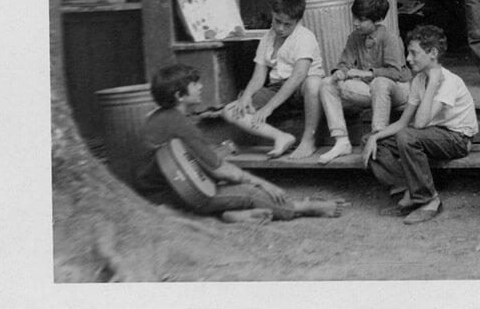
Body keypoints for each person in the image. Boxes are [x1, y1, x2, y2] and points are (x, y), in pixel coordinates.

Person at [133, 64, 344, 222]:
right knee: (251, 192)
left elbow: (193, 159)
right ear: (179, 95)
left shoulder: (159, 116)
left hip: (163, 189)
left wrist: (220, 155)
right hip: (174, 195)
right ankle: (301, 208)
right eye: (194, 83)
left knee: (235, 185)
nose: (200, 86)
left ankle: (229, 214)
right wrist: (263, 183)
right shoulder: (181, 124)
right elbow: (219, 169)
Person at [361, 24, 477, 225]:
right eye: (408, 53)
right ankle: (407, 189)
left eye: (414, 53)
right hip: (431, 136)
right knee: (371, 140)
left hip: (458, 138)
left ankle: (429, 200)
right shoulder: (418, 80)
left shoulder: (450, 81)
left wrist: (433, 82)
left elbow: (421, 123)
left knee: (408, 137)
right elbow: (404, 122)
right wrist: (375, 136)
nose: (408, 58)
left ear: (433, 53)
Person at [290, 0, 412, 164]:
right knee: (327, 83)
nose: (355, 23)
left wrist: (365, 73)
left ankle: (378, 138)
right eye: (354, 17)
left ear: (376, 19)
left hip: (398, 91)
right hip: (371, 90)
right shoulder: (355, 37)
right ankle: (341, 141)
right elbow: (344, 64)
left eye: (361, 20)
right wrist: (339, 72)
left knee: (380, 82)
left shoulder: (390, 38)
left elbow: (397, 73)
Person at [222, 0, 324, 158]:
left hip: (301, 87)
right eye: (277, 21)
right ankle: (281, 137)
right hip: (277, 88)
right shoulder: (268, 37)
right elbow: (259, 75)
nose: (280, 28)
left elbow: (298, 76)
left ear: (298, 21)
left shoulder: (305, 37)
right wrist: (246, 95)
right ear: (273, 14)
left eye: (287, 24)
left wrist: (269, 108)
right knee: (230, 111)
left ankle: (308, 141)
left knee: (313, 83)